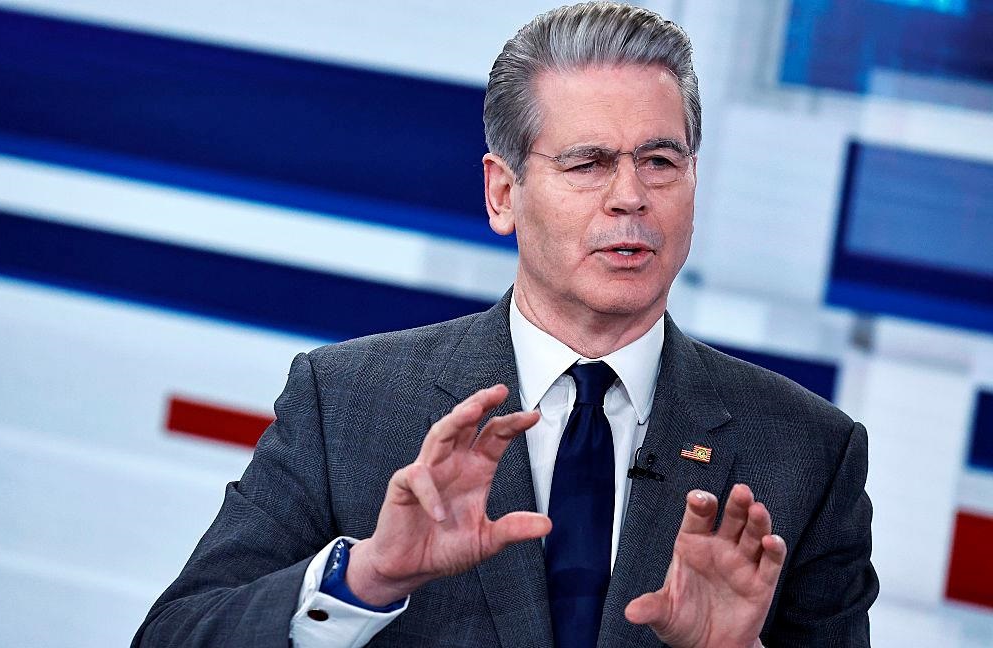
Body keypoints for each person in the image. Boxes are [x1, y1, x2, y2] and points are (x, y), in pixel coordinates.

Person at [133, 2, 879, 647]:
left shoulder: (809, 451)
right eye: (587, 164)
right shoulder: (348, 402)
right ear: (502, 194)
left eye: (659, 161)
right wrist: (367, 577)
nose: (630, 197)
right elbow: (175, 635)